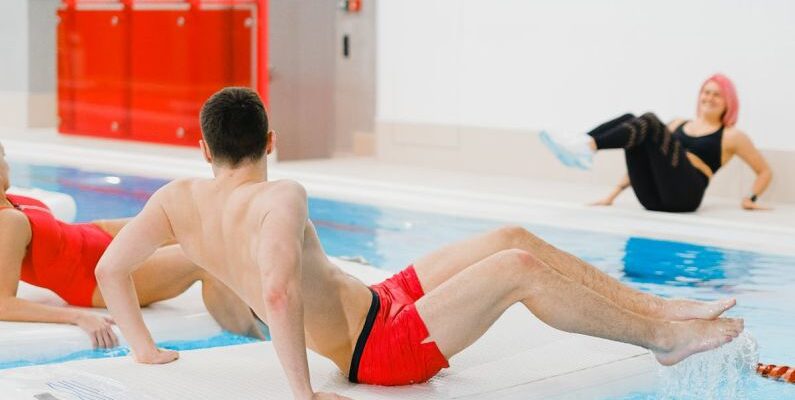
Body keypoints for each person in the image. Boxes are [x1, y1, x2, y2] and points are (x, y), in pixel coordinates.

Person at [96, 87, 744, 400]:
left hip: (379, 303)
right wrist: (302, 393)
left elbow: (111, 269)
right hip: (374, 351)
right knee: (516, 267)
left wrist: (145, 348)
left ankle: (659, 310)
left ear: (203, 147)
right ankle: (661, 340)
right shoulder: (278, 194)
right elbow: (275, 288)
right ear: (269, 142)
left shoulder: (174, 200)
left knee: (509, 236)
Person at [0, 142, 262, 349]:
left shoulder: (14, 200)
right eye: (3, 156)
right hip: (93, 277)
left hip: (96, 235)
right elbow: (3, 304)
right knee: (203, 261)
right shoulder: (7, 223)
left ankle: (259, 305)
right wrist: (78, 317)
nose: (7, 162)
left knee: (191, 223)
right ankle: (258, 342)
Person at [540, 74, 773, 212]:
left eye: (716, 95)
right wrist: (612, 196)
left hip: (685, 197)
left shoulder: (732, 136)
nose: (709, 98)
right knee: (633, 120)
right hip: (652, 197)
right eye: (706, 92)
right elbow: (644, 156)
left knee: (649, 120)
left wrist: (750, 199)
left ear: (727, 102)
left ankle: (585, 146)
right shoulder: (677, 124)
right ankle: (583, 143)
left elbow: (764, 171)